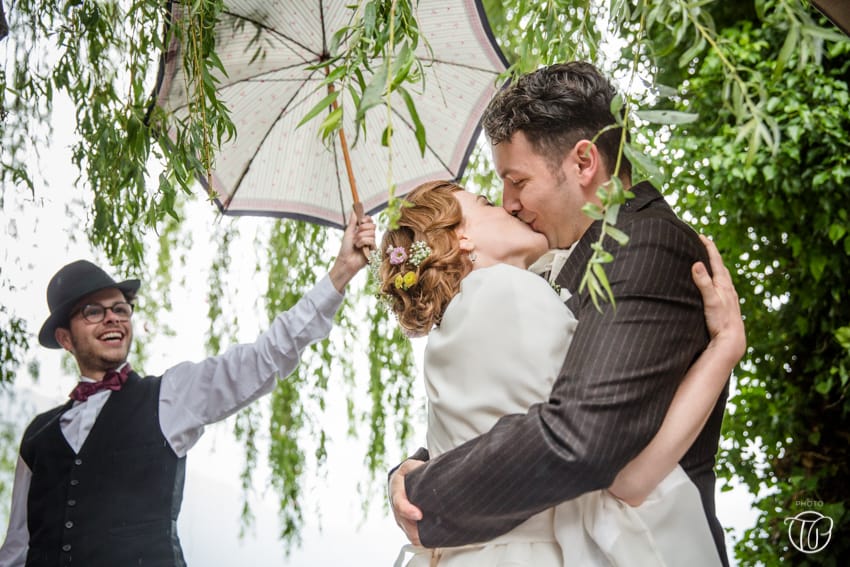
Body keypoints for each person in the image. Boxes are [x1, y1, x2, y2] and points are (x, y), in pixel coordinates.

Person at [389, 62, 739, 566]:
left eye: (516, 181)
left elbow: (580, 435)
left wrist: (425, 492)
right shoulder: (540, 274)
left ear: (583, 162)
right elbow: (514, 400)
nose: (509, 204)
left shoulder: (644, 244)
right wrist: (414, 464)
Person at [0, 213, 375, 567]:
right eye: (93, 311)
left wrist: (342, 271)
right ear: (65, 338)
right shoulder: (37, 436)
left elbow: (264, 358)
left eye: (121, 309)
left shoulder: (170, 396)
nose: (113, 318)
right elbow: (16, 550)